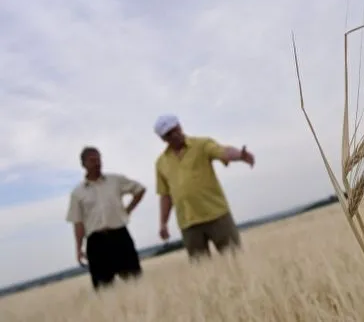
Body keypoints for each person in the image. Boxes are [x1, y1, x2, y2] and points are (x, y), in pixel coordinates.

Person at [153, 114, 255, 261]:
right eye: (169, 134)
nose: (175, 135)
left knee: (236, 260)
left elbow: (223, 151)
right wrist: (163, 223)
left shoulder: (201, 144)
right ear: (163, 139)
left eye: (176, 129)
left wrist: (240, 155)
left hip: (217, 215)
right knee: (201, 270)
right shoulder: (161, 162)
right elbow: (165, 195)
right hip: (188, 223)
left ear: (180, 126)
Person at [65, 146, 146, 290]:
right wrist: (78, 249)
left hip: (120, 236)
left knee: (136, 282)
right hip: (96, 243)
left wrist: (128, 210)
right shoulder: (77, 193)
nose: (97, 163)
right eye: (92, 160)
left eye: (98, 159)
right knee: (104, 289)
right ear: (83, 164)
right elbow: (78, 223)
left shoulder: (115, 180)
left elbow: (139, 189)